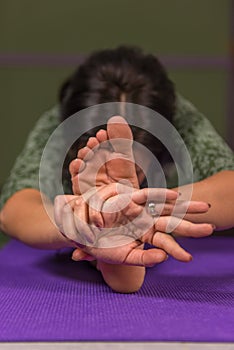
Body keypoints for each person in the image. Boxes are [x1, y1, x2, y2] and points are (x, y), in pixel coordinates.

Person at [0, 46, 234, 292]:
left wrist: (139, 209)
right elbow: (14, 209)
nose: (116, 187)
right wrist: (80, 223)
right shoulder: (59, 124)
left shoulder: (179, 119)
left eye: (135, 169)